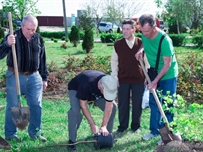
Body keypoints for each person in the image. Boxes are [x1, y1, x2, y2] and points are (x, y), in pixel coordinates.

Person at [0, 15, 49, 142]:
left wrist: (44, 78)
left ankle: (35, 133)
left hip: (34, 76)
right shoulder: (12, 36)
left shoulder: (38, 38)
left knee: (36, 105)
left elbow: (43, 59)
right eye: (29, 29)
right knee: (13, 105)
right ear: (22, 26)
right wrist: (7, 43)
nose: (32, 32)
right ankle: (11, 135)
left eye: (34, 29)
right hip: (15, 75)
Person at [135, 14, 178, 145]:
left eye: (147, 31)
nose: (145, 34)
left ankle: (168, 132)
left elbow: (167, 64)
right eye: (143, 31)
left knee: (167, 103)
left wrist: (155, 82)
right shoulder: (144, 34)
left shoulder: (165, 40)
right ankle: (154, 130)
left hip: (168, 74)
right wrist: (140, 50)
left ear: (155, 27)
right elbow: (144, 42)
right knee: (154, 102)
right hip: (153, 72)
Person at [111, 19, 147, 134]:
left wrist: (147, 77)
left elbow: (147, 62)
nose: (125, 31)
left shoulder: (141, 43)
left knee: (137, 103)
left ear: (133, 29)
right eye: (123, 29)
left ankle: (136, 126)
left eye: (127, 29)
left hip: (138, 79)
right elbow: (114, 61)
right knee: (123, 104)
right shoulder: (118, 44)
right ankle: (122, 127)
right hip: (123, 79)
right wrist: (114, 76)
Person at [67, 70, 117, 151]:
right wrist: (92, 124)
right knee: (75, 112)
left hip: (95, 92)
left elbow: (109, 106)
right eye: (105, 92)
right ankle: (72, 141)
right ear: (100, 85)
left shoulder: (110, 84)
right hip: (76, 88)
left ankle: (106, 136)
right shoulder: (87, 84)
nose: (106, 95)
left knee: (114, 107)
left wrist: (104, 126)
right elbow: (83, 105)